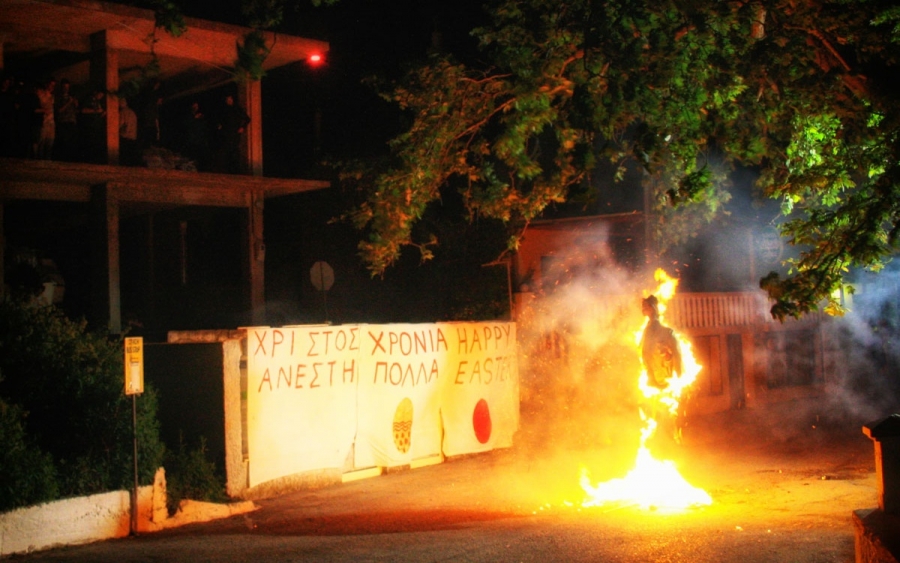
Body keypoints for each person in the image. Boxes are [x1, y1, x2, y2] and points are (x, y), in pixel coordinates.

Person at [640, 295, 682, 390]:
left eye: (646, 305)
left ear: (653, 307)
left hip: (660, 372)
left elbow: (676, 355)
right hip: (652, 370)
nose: (643, 308)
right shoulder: (648, 328)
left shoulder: (663, 331)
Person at [214, 94, 250, 173]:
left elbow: (247, 119)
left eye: (230, 99)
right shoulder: (224, 110)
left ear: (232, 100)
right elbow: (219, 120)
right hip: (226, 134)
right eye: (227, 100)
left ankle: (236, 169)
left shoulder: (237, 109)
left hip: (235, 133)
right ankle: (228, 169)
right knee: (227, 150)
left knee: (234, 150)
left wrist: (242, 127)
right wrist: (219, 126)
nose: (229, 101)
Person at [54, 79, 78, 161]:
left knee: (71, 141)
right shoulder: (58, 97)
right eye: (64, 87)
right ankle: (62, 159)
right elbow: (59, 110)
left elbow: (76, 107)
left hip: (71, 121)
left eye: (67, 87)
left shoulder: (71, 96)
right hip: (63, 121)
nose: (66, 89)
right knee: (63, 141)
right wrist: (68, 103)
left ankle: (70, 159)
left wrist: (74, 102)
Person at [119, 97, 138, 165]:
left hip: (125, 136)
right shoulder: (132, 112)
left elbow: (119, 124)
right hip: (133, 136)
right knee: (130, 155)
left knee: (124, 156)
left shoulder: (122, 112)